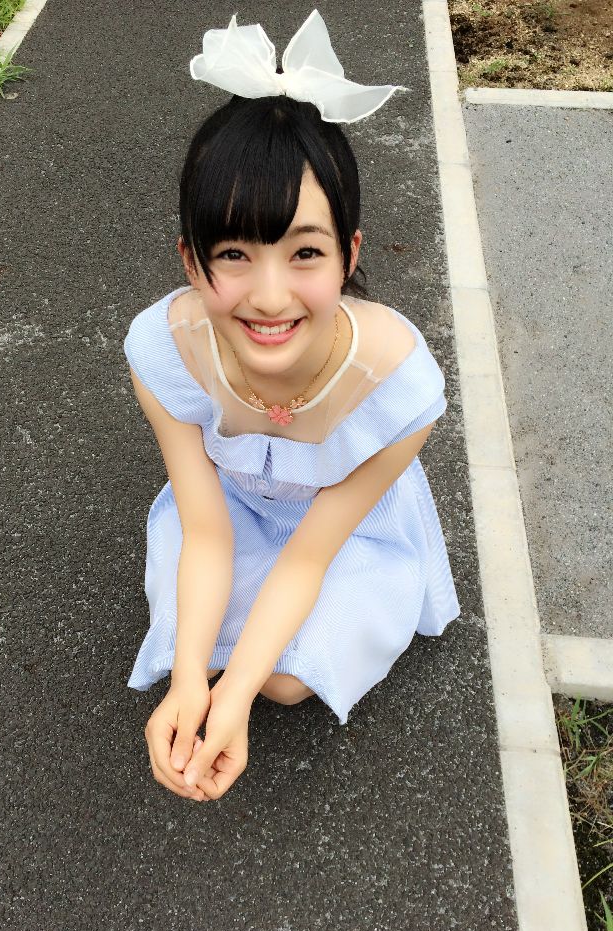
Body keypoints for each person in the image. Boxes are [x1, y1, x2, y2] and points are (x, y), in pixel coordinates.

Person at [123, 10, 461, 803]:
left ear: (349, 253)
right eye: (234, 253)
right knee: (198, 655)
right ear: (191, 262)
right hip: (231, 512)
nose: (270, 296)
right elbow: (207, 531)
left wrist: (232, 698)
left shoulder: (399, 386)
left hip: (348, 534)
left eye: (305, 252)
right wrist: (190, 686)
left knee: (278, 682)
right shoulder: (163, 351)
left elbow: (311, 555)